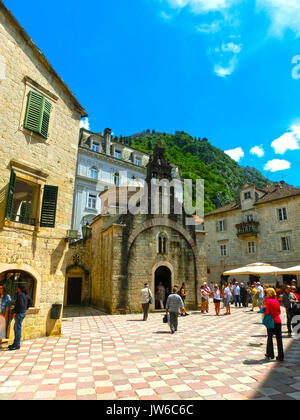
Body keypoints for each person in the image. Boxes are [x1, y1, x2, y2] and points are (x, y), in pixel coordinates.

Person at [8, 285, 32, 351]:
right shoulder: (26, 295)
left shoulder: (20, 295)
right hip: (22, 313)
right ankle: (15, 343)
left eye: (17, 288)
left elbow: (19, 304)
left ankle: (17, 345)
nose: (17, 289)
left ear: (19, 289)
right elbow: (30, 302)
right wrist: (26, 308)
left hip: (19, 313)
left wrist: (14, 311)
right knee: (16, 328)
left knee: (17, 329)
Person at [264, 288, 284, 362]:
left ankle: (270, 354)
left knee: (270, 337)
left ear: (268, 294)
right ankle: (281, 356)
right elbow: (279, 311)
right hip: (278, 321)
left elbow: (267, 312)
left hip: (271, 321)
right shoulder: (277, 301)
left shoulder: (268, 301)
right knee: (279, 339)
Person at [0, 285, 11, 349]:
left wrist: (5, 317)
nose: (0, 289)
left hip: (3, 316)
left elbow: (7, 308)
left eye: (1, 288)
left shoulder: (7, 297)